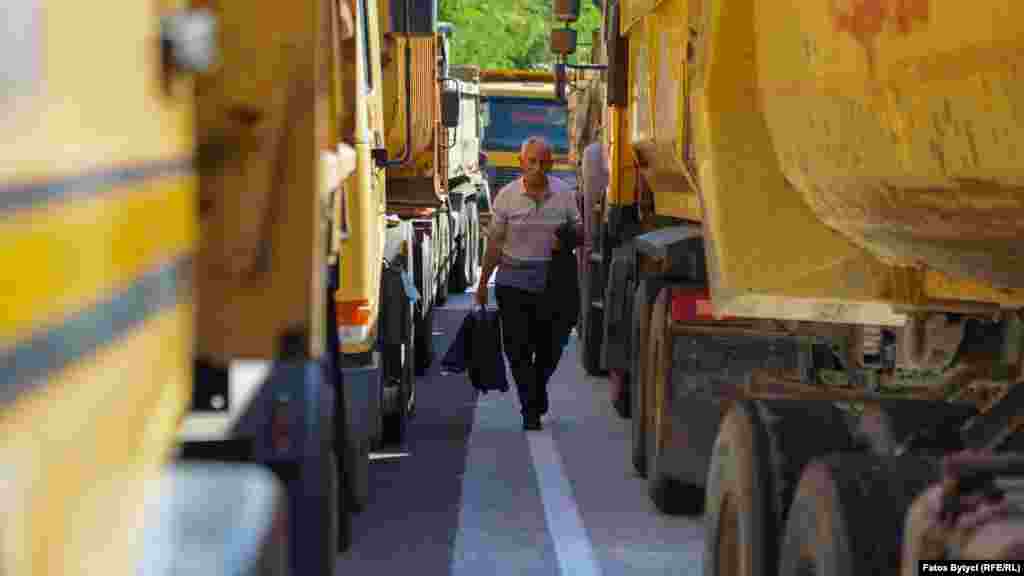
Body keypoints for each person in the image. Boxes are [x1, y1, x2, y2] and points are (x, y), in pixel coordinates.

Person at [476, 136, 583, 431]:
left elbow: (580, 229)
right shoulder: (506, 197)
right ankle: (530, 408)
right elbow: (495, 244)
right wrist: (483, 283)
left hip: (554, 282)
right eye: (531, 162)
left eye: (542, 162)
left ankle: (537, 388)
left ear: (551, 164)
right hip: (513, 282)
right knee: (518, 350)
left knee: (552, 345)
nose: (537, 168)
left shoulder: (563, 194)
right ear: (521, 164)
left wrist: (569, 236)